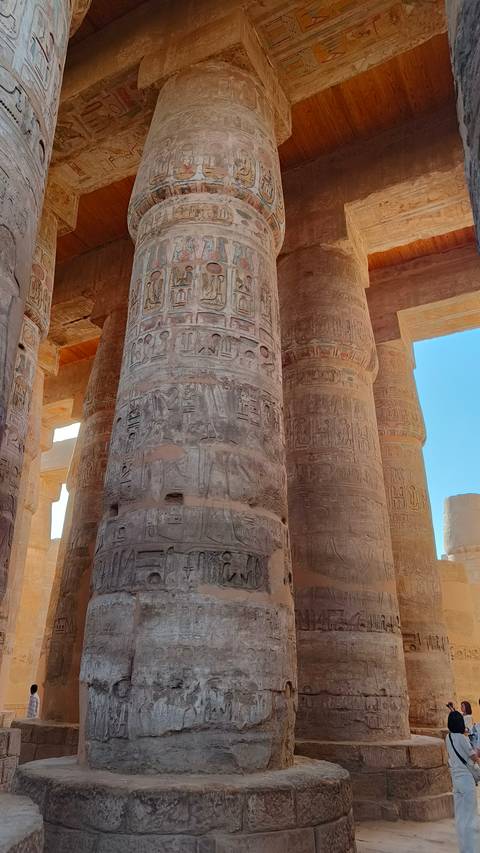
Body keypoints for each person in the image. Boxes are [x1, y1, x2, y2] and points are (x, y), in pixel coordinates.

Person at [446, 710, 480, 853]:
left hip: (456, 780)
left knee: (460, 817)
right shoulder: (462, 738)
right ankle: (472, 849)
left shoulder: (447, 738)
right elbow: (473, 757)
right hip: (466, 781)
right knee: (471, 817)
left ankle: (464, 848)